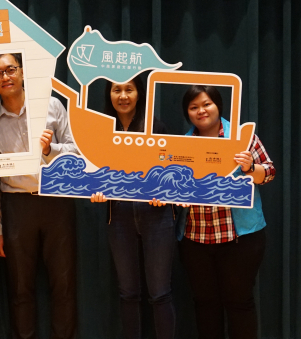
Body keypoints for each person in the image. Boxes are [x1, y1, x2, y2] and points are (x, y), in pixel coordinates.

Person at [0, 53, 78, 339]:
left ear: (22, 72)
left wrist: (51, 151)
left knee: (63, 285)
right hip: (17, 206)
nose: (6, 77)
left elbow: (77, 151)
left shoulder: (51, 105)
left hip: (57, 201)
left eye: (11, 69)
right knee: (19, 287)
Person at [177, 85, 275, 339]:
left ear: (218, 105)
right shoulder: (182, 145)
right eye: (194, 107)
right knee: (205, 305)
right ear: (187, 112)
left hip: (241, 238)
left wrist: (251, 168)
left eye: (207, 104)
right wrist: (177, 198)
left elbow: (269, 172)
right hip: (196, 239)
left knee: (239, 303)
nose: (201, 111)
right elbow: (173, 187)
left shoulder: (243, 137)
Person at [89, 77, 176, 339]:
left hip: (157, 216)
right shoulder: (100, 131)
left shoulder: (156, 127)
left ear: (139, 94)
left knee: (160, 293)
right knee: (128, 293)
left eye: (129, 89)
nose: (123, 95)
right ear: (109, 95)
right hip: (120, 217)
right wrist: (94, 190)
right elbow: (93, 174)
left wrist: (165, 193)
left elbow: (172, 172)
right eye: (117, 90)